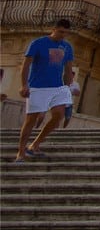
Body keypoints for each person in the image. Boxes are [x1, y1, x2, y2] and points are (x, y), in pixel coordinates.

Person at [14, 18, 76, 163]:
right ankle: (21, 152)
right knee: (31, 119)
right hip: (38, 86)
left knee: (58, 115)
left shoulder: (67, 47)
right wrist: (24, 85)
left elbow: (68, 69)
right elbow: (26, 66)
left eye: (66, 33)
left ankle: (35, 144)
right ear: (53, 29)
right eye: (61, 32)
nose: (63, 35)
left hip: (57, 87)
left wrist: (67, 88)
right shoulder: (38, 43)